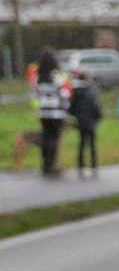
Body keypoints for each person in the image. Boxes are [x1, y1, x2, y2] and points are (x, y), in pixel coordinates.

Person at [34, 49, 71, 177]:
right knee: (54, 139)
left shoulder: (38, 77)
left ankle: (45, 165)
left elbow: (36, 93)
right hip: (56, 113)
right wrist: (66, 106)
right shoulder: (56, 76)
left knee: (45, 138)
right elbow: (64, 94)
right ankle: (52, 165)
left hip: (43, 113)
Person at [68, 71, 102, 177]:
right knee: (92, 145)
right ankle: (94, 166)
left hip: (80, 122)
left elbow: (71, 109)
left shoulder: (75, 94)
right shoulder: (91, 92)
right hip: (91, 122)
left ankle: (80, 167)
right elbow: (96, 107)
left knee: (82, 144)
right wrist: (98, 117)